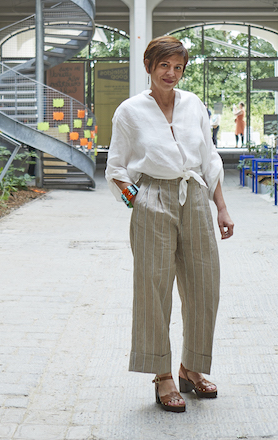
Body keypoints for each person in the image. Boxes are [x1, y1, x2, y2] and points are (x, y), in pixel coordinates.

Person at [106, 35, 235, 414]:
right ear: (149, 66)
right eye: (164, 65)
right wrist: (139, 201)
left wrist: (221, 208)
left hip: (193, 194)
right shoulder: (129, 111)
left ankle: (191, 368)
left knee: (204, 284)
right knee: (152, 288)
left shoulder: (194, 104)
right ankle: (161, 374)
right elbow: (115, 167)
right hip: (152, 197)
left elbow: (210, 159)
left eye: (178, 67)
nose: (172, 74)